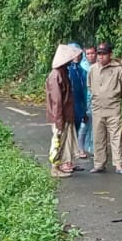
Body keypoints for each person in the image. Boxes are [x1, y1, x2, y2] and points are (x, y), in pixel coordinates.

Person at [88, 41, 122, 173]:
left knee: (116, 137)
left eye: (104, 54)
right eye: (99, 54)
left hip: (113, 108)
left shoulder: (118, 69)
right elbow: (89, 86)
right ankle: (99, 164)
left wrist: (115, 97)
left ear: (110, 54)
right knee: (98, 136)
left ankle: (118, 164)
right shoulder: (92, 69)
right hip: (97, 108)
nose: (101, 57)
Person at [45, 44, 83, 177]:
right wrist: (59, 121)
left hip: (65, 115)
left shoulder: (63, 72)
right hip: (61, 116)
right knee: (58, 142)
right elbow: (57, 102)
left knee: (65, 142)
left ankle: (61, 165)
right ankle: (55, 168)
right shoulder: (56, 75)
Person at [77, 45, 95, 157]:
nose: (90, 56)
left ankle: (93, 148)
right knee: (84, 125)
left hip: (96, 100)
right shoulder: (82, 67)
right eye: (88, 53)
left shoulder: (99, 66)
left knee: (95, 127)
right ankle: (81, 149)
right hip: (85, 100)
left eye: (92, 53)